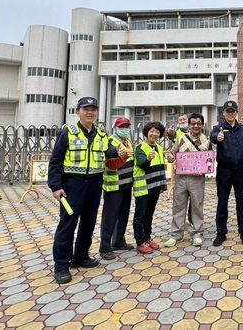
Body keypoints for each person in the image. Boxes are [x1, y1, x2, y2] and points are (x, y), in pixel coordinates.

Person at [48, 97, 123, 284]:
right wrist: (56, 186)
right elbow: (56, 160)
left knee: (88, 222)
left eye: (93, 109)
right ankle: (61, 265)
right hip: (73, 184)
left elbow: (108, 152)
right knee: (68, 223)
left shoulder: (101, 134)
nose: (90, 112)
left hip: (95, 183)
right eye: (86, 109)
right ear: (78, 111)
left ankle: (80, 256)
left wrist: (118, 152)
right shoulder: (68, 133)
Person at [210, 100, 243, 247]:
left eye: (232, 111)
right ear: (223, 113)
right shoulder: (218, 128)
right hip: (224, 171)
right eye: (227, 111)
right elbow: (213, 137)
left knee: (242, 203)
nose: (230, 113)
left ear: (236, 112)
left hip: (241, 171)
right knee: (222, 202)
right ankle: (221, 232)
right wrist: (218, 138)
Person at [163, 113, 210, 247]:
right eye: (193, 123)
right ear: (189, 125)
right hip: (181, 177)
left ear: (202, 125)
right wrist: (171, 157)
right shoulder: (181, 138)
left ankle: (197, 233)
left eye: (198, 123)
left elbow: (210, 159)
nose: (196, 126)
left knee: (197, 206)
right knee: (178, 206)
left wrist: (206, 166)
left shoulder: (206, 140)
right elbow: (172, 153)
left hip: (197, 178)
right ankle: (176, 234)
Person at [100, 117, 135, 260]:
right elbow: (108, 157)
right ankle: (105, 247)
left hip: (127, 184)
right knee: (110, 217)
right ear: (116, 128)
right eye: (122, 126)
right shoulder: (110, 141)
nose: (125, 129)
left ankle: (119, 241)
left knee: (123, 214)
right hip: (114, 186)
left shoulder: (128, 142)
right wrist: (119, 154)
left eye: (127, 126)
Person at [133, 121, 167, 254]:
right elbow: (142, 165)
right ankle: (140, 241)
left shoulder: (159, 147)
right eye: (152, 131)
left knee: (149, 214)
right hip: (143, 187)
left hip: (155, 187)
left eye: (157, 132)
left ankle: (147, 238)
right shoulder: (140, 147)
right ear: (146, 132)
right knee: (140, 215)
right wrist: (148, 158)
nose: (154, 134)